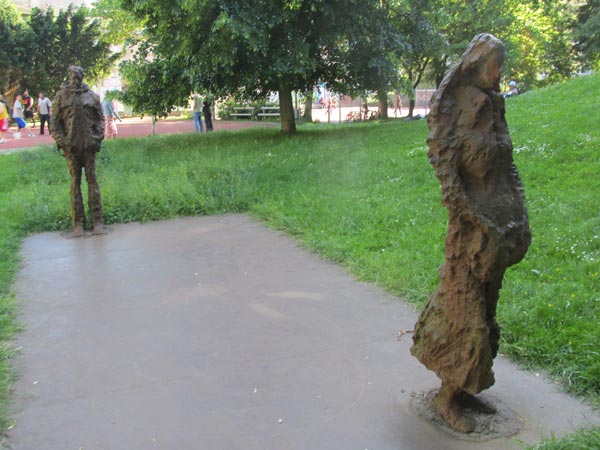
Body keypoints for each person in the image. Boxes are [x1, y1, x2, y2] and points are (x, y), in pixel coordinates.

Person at [410, 34, 530, 433]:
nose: (499, 73)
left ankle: (467, 386)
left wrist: (519, 212)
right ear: (476, 67)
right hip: (472, 233)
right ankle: (446, 394)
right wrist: (481, 223)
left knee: (488, 310)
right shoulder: (454, 109)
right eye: (494, 65)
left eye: (501, 64)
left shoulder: (495, 105)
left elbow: (509, 165)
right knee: (466, 314)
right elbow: (449, 179)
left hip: (502, 227)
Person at [51, 65, 106, 237]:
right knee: (75, 184)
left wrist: (97, 138)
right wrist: (64, 143)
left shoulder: (92, 97)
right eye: (72, 76)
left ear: (82, 77)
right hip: (72, 149)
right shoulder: (60, 98)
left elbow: (100, 120)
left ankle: (97, 221)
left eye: (77, 76)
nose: (74, 79)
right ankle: (78, 224)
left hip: (89, 147)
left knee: (92, 182)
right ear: (68, 76)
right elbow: (54, 125)